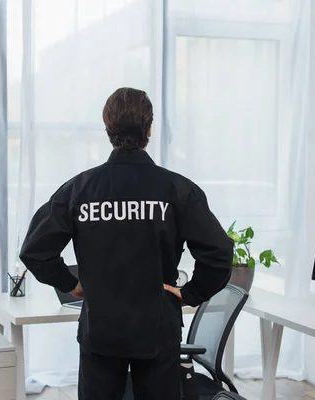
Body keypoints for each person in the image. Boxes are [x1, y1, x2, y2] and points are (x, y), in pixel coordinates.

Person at [19, 87, 233, 400]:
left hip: (100, 327)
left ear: (108, 131)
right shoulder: (178, 190)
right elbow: (218, 255)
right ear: (149, 130)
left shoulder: (79, 190)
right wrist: (190, 294)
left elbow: (35, 251)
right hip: (157, 326)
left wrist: (71, 284)